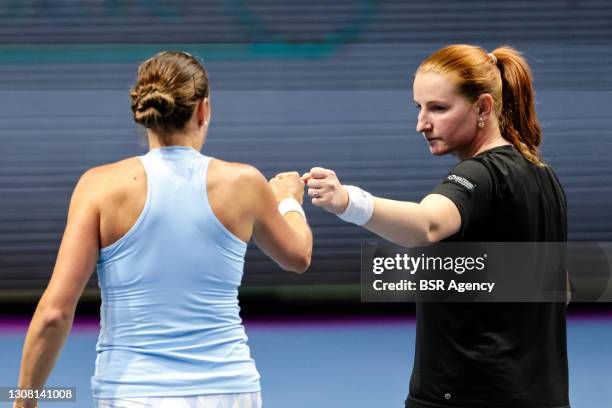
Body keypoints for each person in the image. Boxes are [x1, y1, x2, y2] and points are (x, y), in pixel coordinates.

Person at [14, 51, 312, 408]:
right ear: (203, 110)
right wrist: (288, 200)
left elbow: (53, 314)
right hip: (230, 391)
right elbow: (298, 256)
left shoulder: (98, 187)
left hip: (132, 394)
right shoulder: (245, 183)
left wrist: (24, 402)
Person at [304, 45, 569, 407]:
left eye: (438, 108)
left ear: (483, 108)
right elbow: (561, 290)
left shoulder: (477, 173)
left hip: (463, 397)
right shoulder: (545, 177)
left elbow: (427, 225)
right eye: (419, 108)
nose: (422, 124)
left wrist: (348, 202)